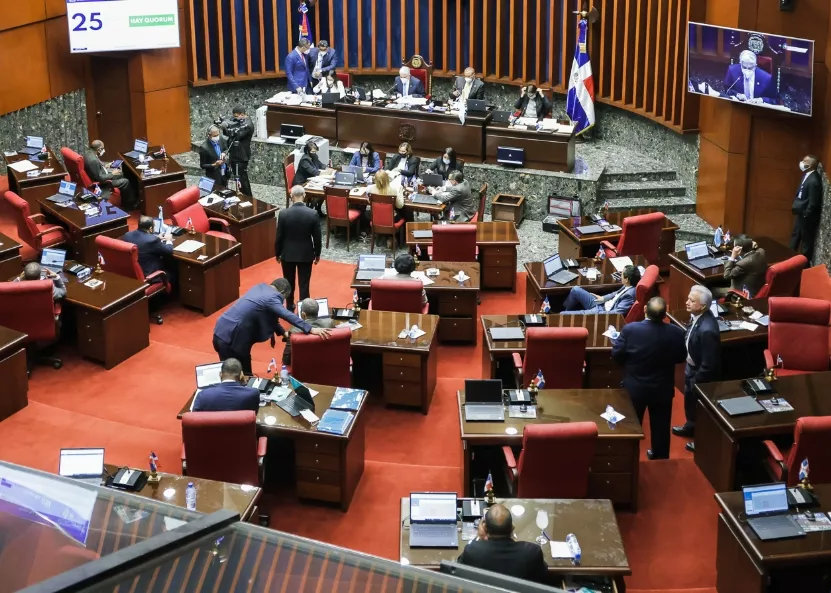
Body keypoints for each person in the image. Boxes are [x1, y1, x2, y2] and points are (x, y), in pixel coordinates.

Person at [612, 297, 687, 459]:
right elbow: (681, 358)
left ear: (645, 309)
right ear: (664, 314)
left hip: (635, 388)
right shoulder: (677, 332)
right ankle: (660, 457)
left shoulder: (630, 330)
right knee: (661, 426)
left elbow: (617, 355)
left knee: (632, 426)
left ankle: (629, 457)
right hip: (662, 389)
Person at [212, 278, 331, 375]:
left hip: (221, 331)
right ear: (282, 292)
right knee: (239, 375)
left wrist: (282, 332)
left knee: (230, 373)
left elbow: (270, 315)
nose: (282, 301)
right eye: (284, 298)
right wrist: (310, 328)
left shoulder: (260, 288)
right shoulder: (273, 297)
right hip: (233, 339)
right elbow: (285, 314)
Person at [672, 285, 721, 453]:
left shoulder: (708, 330)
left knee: (701, 410)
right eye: (688, 298)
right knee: (689, 402)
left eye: (692, 301)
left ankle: (701, 440)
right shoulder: (697, 316)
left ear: (704, 306)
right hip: (691, 366)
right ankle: (690, 426)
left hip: (700, 375)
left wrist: (696, 380)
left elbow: (708, 364)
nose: (687, 303)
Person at [457, 504, 547, 584]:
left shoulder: (472, 551)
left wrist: (479, 538)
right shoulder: (532, 552)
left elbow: (458, 569)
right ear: (512, 527)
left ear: (484, 528)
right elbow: (543, 574)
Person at [275, 186, 322, 311]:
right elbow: (317, 238)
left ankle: (289, 307)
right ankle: (304, 310)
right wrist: (317, 254)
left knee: (288, 283)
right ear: (304, 195)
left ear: (291, 196)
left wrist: (277, 253)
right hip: (306, 254)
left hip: (287, 254)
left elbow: (279, 236)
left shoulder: (284, 214)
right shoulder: (313, 214)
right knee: (304, 284)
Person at [561, 265, 641, 315]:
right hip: (602, 303)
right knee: (575, 289)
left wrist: (598, 313)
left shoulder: (630, 295)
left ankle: (563, 316)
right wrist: (603, 298)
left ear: (627, 279)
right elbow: (615, 294)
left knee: (563, 314)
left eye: (622, 275)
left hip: (602, 312)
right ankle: (567, 311)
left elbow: (616, 313)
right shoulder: (627, 285)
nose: (620, 276)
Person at [121, 216, 176, 287]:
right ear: (150, 228)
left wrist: (156, 238)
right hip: (150, 276)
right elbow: (169, 251)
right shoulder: (152, 240)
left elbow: (142, 242)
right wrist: (169, 240)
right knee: (174, 268)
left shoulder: (127, 235)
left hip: (133, 274)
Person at [191, 358, 260, 413]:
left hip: (213, 430)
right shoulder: (253, 393)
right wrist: (243, 383)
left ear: (220, 374)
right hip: (241, 430)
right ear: (241, 375)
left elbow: (195, 419)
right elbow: (253, 415)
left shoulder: (203, 395)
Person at [282, 298, 336, 365]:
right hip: (326, 364)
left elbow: (286, 359)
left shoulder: (294, 330)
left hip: (302, 369)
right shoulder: (330, 323)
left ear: (303, 314)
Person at [84, 140, 136, 209]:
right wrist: (112, 174)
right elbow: (100, 178)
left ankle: (132, 195)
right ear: (99, 149)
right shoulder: (93, 160)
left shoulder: (88, 153)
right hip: (103, 183)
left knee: (122, 173)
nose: (104, 150)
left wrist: (105, 165)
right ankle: (129, 205)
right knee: (125, 181)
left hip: (103, 173)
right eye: (103, 148)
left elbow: (97, 166)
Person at [790, 154, 823, 263]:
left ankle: (803, 266)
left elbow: (813, 202)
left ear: (810, 165)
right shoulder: (806, 175)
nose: (802, 163)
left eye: (804, 161)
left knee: (806, 243)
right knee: (795, 237)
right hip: (801, 214)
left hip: (807, 217)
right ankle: (788, 260)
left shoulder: (814, 180)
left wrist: (806, 214)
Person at [219, 106, 255, 197]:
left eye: (236, 116)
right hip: (235, 154)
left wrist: (225, 127)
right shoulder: (239, 120)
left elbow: (235, 134)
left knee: (242, 179)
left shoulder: (248, 125)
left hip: (241, 156)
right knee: (237, 178)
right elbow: (231, 124)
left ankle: (248, 197)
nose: (234, 118)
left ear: (241, 115)